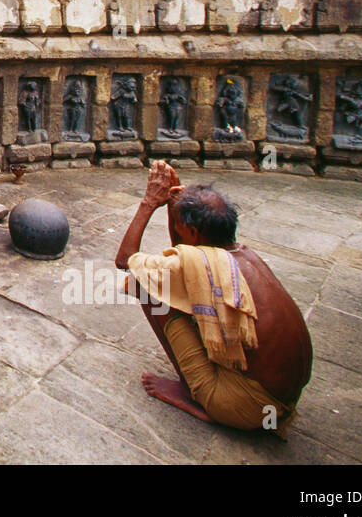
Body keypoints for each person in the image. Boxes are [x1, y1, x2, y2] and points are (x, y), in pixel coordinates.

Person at [115, 161, 312, 436]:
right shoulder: (242, 256)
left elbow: (125, 260)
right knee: (172, 287)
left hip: (248, 406)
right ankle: (209, 380)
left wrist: (149, 203)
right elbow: (184, 249)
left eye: (181, 226)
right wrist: (176, 200)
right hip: (281, 397)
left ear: (194, 233)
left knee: (145, 286)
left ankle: (191, 391)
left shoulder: (204, 265)